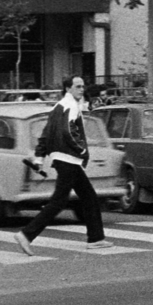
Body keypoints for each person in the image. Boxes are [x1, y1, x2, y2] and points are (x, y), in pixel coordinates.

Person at [12, 76, 109, 254]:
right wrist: (80, 149)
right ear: (67, 88)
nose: (81, 89)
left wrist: (39, 158)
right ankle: (26, 234)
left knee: (89, 197)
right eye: (78, 86)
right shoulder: (70, 106)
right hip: (69, 159)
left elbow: (46, 134)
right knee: (58, 202)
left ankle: (96, 238)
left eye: (82, 86)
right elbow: (67, 131)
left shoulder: (59, 106)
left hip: (64, 159)